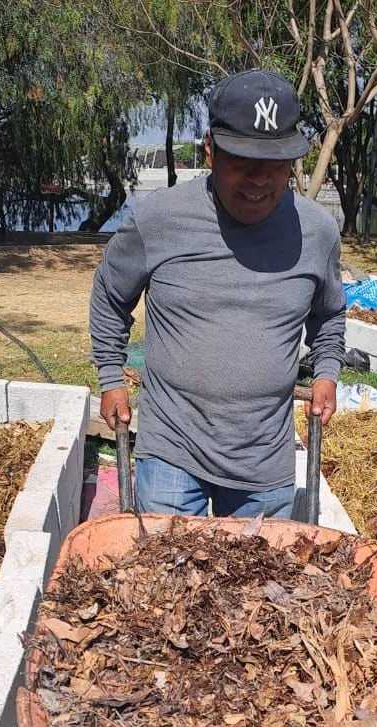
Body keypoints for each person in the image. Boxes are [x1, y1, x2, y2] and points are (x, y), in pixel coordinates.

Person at [89, 69, 345, 518]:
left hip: (264, 463)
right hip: (172, 451)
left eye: (275, 165)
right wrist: (111, 378)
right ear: (211, 149)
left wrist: (326, 373)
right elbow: (110, 296)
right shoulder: (159, 220)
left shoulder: (317, 232)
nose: (259, 180)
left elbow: (329, 315)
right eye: (243, 162)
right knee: (167, 563)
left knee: (261, 567)